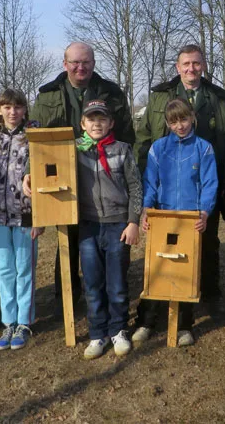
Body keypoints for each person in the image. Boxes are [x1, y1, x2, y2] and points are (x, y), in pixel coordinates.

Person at [29, 42, 135, 314]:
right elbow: (36, 141)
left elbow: (126, 135)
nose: (80, 67)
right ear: (65, 64)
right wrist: (33, 170)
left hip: (103, 177)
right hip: (62, 177)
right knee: (68, 238)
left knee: (102, 238)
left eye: (85, 62)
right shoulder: (48, 95)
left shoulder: (111, 93)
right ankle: (64, 296)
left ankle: (110, 292)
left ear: (94, 63)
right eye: (74, 62)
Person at [134, 44, 225, 308]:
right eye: (186, 64)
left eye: (196, 63)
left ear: (203, 65)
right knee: (166, 245)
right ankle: (163, 295)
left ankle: (208, 295)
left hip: (203, 186)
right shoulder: (159, 97)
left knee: (208, 241)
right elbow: (144, 138)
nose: (191, 68)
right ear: (177, 67)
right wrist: (146, 186)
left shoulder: (218, 99)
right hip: (165, 185)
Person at [133, 98, 218, 346]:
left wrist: (204, 212)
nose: (179, 126)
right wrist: (147, 210)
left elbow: (210, 183)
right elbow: (150, 181)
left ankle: (184, 325)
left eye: (183, 119)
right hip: (163, 216)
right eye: (173, 122)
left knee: (186, 269)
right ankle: (146, 321)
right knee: (158, 266)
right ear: (167, 124)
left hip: (190, 219)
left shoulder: (204, 148)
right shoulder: (158, 149)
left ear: (192, 117)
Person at [64, 100, 144, 359]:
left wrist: (133, 221)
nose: (96, 123)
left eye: (102, 119)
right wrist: (30, 174)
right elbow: (46, 157)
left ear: (110, 123)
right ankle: (97, 333)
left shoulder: (122, 149)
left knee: (117, 281)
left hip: (118, 224)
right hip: (88, 225)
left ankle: (119, 329)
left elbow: (135, 186)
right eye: (91, 119)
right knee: (92, 282)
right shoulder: (74, 149)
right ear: (82, 124)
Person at [0, 88, 44, 351]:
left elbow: (44, 176)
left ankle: (24, 321)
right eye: (7, 107)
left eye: (17, 107)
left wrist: (40, 217)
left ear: (24, 109)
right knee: (5, 269)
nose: (12, 112)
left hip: (27, 215)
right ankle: (9, 321)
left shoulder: (34, 138)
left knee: (25, 268)